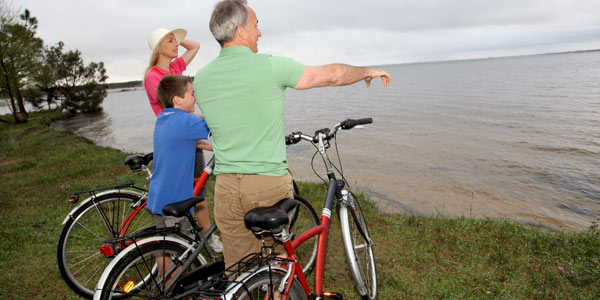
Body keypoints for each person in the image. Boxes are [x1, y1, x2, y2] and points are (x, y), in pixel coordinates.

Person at [194, 0, 391, 269]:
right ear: (240, 31)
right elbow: (332, 75)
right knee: (277, 266)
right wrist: (368, 71)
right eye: (256, 26)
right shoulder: (270, 66)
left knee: (239, 272)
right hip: (265, 183)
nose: (259, 33)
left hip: (226, 186)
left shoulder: (202, 78)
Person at [144, 28, 222, 252]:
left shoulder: (175, 68)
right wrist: (209, 120)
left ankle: (205, 237)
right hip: (180, 135)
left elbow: (194, 46)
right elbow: (177, 112)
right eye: (170, 41)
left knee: (197, 189)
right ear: (159, 47)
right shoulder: (154, 77)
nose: (176, 44)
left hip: (180, 134)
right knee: (191, 191)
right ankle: (199, 241)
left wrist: (172, 33)